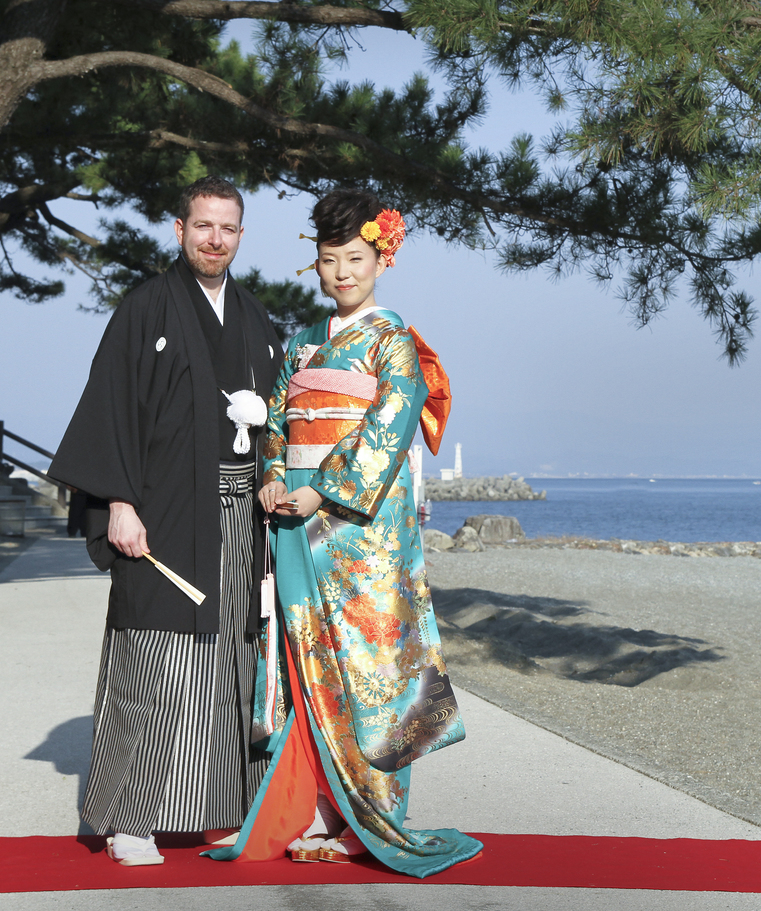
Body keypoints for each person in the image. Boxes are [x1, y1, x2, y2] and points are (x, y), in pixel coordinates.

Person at [206, 188, 479, 877]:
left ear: (381, 259)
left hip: (363, 533)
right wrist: (273, 476)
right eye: (329, 260)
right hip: (296, 522)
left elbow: (387, 433)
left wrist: (318, 490)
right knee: (304, 663)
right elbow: (276, 420)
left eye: (355, 258)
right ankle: (317, 809)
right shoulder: (303, 341)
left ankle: (374, 817)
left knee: (373, 669)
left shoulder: (393, 342)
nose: (342, 273)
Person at [48, 176, 284, 866]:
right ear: (179, 229)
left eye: (228, 228)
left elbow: (282, 423)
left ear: (241, 236)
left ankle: (222, 808)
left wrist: (275, 470)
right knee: (154, 656)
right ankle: (132, 818)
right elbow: (111, 408)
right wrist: (118, 502)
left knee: (231, 658)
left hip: (241, 515)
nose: (215, 239)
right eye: (203, 225)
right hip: (162, 510)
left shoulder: (256, 318)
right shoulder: (144, 308)